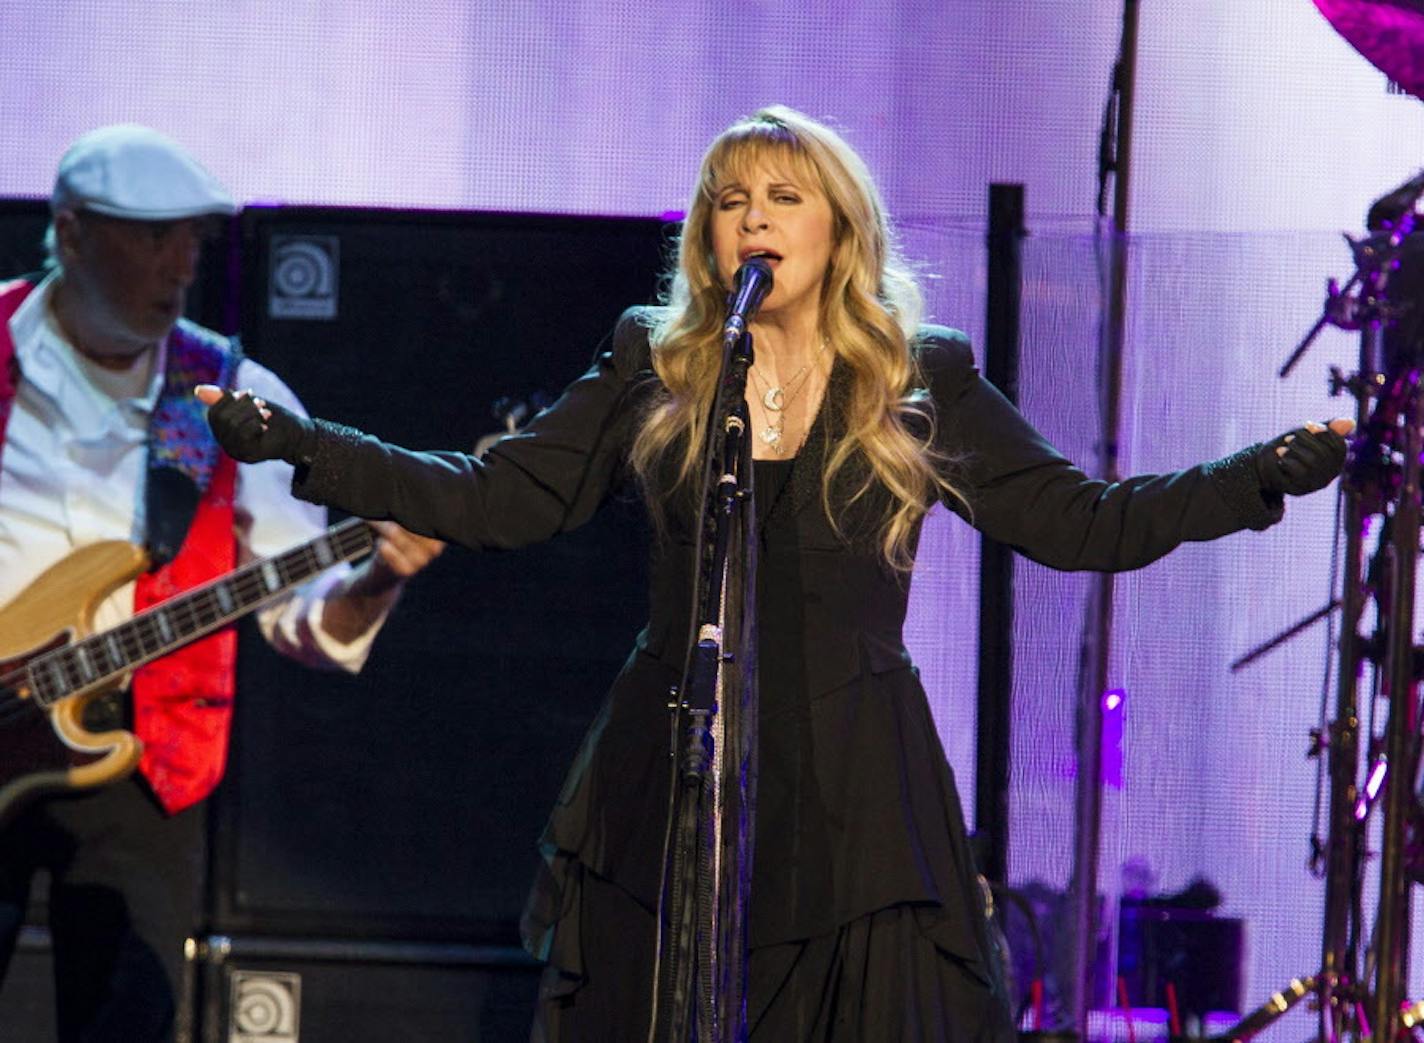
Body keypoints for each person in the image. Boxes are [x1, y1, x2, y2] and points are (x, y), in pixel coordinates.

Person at [200, 106, 1350, 1041]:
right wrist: (303, 446)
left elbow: (1076, 520)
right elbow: (501, 496)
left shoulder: (917, 375)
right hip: (674, 763)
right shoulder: (654, 361)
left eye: (780, 197)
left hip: (851, 779)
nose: (750, 217)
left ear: (838, 230)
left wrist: (1251, 475)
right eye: (728, 200)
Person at [0, 124, 444, 1042]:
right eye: (153, 236)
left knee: (129, 1015)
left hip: (143, 750)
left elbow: (305, 621)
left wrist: (375, 579)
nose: (181, 265)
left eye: (193, 238)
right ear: (74, 233)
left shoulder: (236, 399)